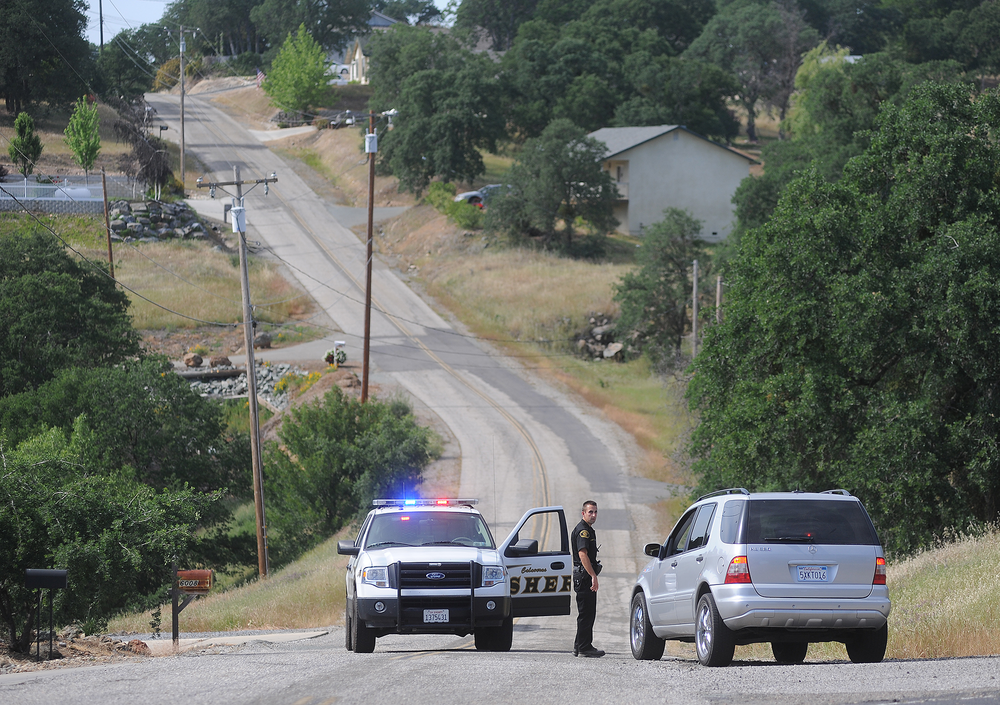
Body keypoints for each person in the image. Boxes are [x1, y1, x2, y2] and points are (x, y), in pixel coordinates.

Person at [572, 500, 604, 657]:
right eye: (590, 512)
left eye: (596, 512)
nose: (593, 515)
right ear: (583, 513)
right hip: (584, 577)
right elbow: (582, 554)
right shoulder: (583, 531)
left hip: (584, 576)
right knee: (587, 613)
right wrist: (593, 576)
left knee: (586, 612)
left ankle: (579, 645)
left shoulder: (588, 529)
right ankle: (585, 647)